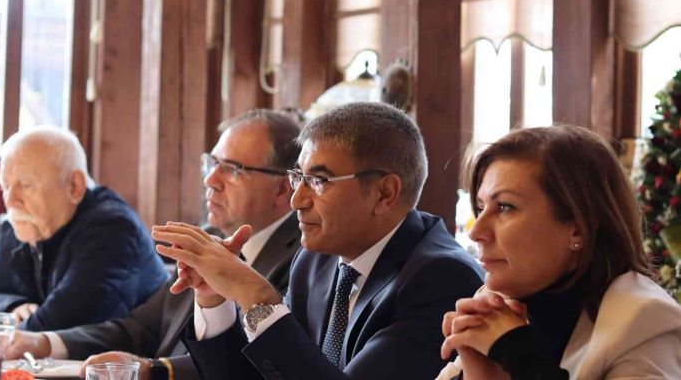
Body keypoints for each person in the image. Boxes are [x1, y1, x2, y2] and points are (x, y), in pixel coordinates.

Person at [153, 102, 484, 380]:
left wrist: (257, 297)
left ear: (384, 193)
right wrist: (214, 299)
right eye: (298, 177)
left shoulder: (441, 278)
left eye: (319, 180)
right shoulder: (316, 260)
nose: (296, 200)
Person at [5, 109, 303, 380]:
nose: (211, 180)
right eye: (212, 164)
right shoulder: (206, 237)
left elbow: (256, 362)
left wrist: (155, 370)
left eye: (232, 169)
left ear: (282, 189)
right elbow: (140, 327)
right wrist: (44, 342)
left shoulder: (301, 261)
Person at [438, 125, 681, 379]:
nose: (476, 231)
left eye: (505, 207)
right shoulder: (495, 302)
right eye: (480, 207)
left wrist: (519, 353)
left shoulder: (644, 320)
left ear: (578, 228)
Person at [0, 126, 167, 332]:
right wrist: (11, 305)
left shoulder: (111, 231)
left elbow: (53, 329)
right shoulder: (20, 226)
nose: (10, 201)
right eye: (5, 185)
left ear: (74, 186)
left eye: (26, 185)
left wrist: (0, 325)